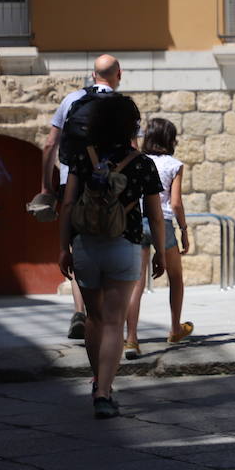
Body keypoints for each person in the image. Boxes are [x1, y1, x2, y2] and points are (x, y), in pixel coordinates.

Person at [57, 93, 164, 419]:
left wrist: (64, 247)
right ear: (131, 126)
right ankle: (104, 391)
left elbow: (68, 205)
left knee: (94, 318)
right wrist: (159, 250)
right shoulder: (142, 163)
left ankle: (96, 380)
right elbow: (156, 215)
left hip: (87, 246)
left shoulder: (81, 159)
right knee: (115, 322)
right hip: (125, 245)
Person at [29, 54, 122, 340]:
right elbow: (133, 150)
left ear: (93, 75)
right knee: (111, 247)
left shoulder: (71, 101)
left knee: (78, 250)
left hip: (74, 184)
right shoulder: (122, 105)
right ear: (118, 75)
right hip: (111, 188)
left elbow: (49, 144)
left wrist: (46, 187)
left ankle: (81, 312)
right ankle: (105, 317)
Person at [125, 118, 194, 358]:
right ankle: (175, 328)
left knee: (137, 282)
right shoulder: (174, 165)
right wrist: (184, 230)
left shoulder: (136, 161)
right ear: (169, 140)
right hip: (162, 223)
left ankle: (132, 339)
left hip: (137, 222)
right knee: (176, 277)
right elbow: (175, 203)